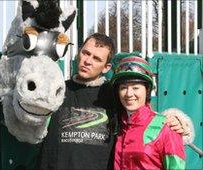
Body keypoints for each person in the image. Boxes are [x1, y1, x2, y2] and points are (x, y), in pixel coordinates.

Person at [37, 33, 192, 170]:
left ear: (106, 67)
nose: (87, 61)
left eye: (96, 58)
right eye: (86, 53)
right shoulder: (55, 89)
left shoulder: (115, 95)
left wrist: (179, 122)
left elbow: (145, 120)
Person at [111, 53, 185, 169]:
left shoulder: (166, 127)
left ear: (147, 91)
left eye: (135, 87)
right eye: (123, 88)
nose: (129, 94)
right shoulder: (118, 126)